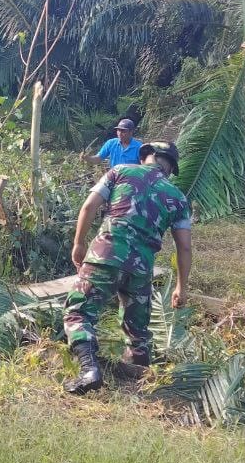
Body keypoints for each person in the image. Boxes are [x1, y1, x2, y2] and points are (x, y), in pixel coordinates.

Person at [62, 140, 193, 395]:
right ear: (170, 167)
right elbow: (184, 248)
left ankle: (89, 369)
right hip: (141, 268)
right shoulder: (178, 198)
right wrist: (181, 287)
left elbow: (89, 206)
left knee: (78, 313)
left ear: (146, 155)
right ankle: (137, 385)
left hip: (105, 255)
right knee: (137, 330)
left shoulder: (120, 171)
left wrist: (78, 243)